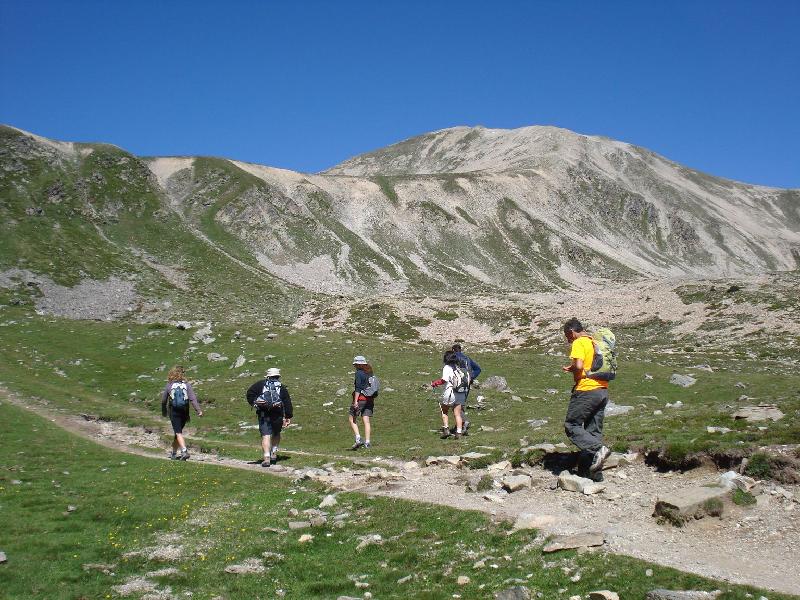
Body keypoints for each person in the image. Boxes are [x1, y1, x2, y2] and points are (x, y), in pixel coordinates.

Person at [561, 318, 611, 480]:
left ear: (572, 332)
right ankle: (591, 472)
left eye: (568, 337)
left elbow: (580, 366)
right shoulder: (594, 342)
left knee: (572, 425)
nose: (568, 340)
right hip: (602, 390)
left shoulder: (579, 342)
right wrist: (574, 367)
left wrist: (575, 374)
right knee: (593, 430)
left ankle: (599, 449)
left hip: (586, 390)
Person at [246, 367, 293, 467]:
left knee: (266, 435)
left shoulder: (260, 384)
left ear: (267, 376)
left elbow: (249, 393)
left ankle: (266, 457)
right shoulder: (281, 387)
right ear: (278, 376)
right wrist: (288, 416)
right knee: (276, 433)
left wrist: (254, 403)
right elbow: (287, 401)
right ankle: (274, 453)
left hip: (264, 414)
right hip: (277, 414)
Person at [160, 365, 202, 460]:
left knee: (178, 432)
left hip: (174, 411)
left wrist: (164, 411)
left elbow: (163, 400)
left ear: (172, 374)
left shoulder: (169, 385)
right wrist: (198, 410)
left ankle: (184, 451)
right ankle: (174, 453)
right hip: (184, 412)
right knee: (177, 432)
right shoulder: (187, 385)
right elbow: (193, 399)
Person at [431, 350, 467, 439]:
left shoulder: (447, 367)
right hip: (460, 393)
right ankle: (458, 432)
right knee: (457, 413)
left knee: (444, 410)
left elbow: (444, 380)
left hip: (450, 393)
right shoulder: (457, 368)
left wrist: (435, 383)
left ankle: (446, 429)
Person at [451, 343, 481, 433]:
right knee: (461, 404)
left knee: (455, 404)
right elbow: (478, 369)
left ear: (453, 350)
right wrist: (471, 377)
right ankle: (460, 425)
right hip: (467, 384)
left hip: (457, 384)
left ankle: (464, 422)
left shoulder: (453, 358)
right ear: (460, 350)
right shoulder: (467, 358)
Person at [349, 355, 377, 450]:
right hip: (370, 399)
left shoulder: (359, 373)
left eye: (355, 364)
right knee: (366, 421)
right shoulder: (369, 372)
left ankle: (358, 439)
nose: (355, 366)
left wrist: (355, 401)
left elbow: (358, 388)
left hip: (361, 398)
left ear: (359, 364)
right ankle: (367, 443)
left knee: (352, 418)